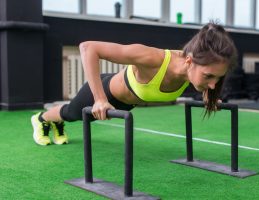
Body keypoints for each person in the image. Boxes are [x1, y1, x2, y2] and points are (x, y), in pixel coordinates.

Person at [31, 22, 237, 146]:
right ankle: (41, 119)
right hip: (107, 92)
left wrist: (209, 94)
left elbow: (206, 81)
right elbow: (88, 48)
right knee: (72, 114)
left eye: (218, 78)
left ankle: (56, 123)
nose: (213, 84)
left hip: (126, 103)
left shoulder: (192, 70)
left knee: (73, 116)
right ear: (190, 61)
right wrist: (100, 99)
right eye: (209, 76)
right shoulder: (152, 59)